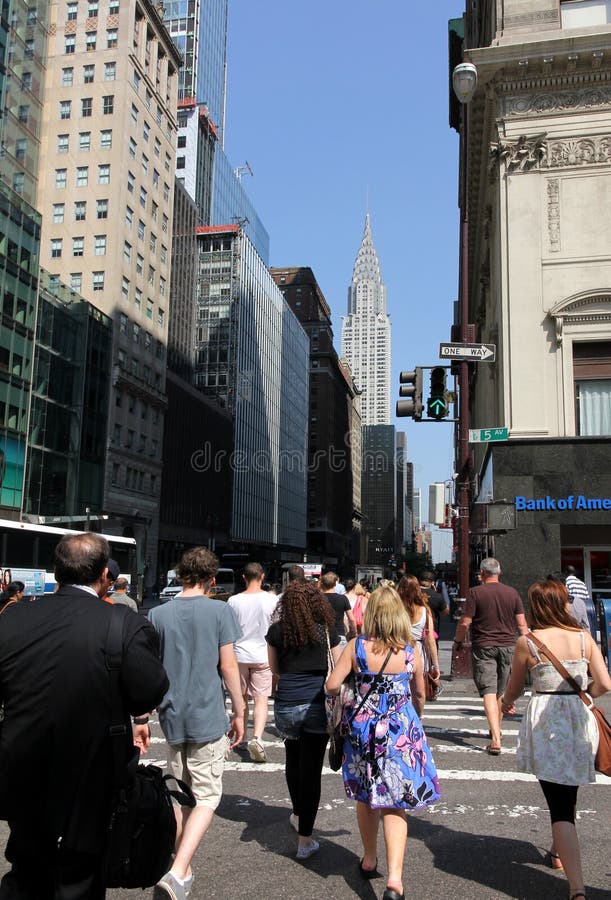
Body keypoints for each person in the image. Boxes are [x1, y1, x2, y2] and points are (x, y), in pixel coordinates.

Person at [0, 533, 168, 899]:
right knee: (81, 871)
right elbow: (149, 691)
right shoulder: (122, 623)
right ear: (105, 574)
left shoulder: (12, 617)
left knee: (26, 862)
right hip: (93, 770)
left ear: (56, 569)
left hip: (22, 761)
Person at [326, 585, 440, 900]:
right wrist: (414, 717)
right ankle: (395, 881)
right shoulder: (409, 650)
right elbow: (419, 693)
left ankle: (369, 858)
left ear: (373, 614)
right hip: (400, 731)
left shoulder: (357, 647)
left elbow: (332, 685)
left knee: (366, 797)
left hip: (363, 730)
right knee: (395, 803)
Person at [500, 580, 611, 900]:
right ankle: (557, 851)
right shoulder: (583, 638)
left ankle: (577, 888)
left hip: (547, 722)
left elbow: (515, 687)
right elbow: (604, 683)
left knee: (559, 805)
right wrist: (585, 695)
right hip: (578, 719)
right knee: (567, 791)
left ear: (536, 607)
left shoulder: (528, 642)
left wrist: (505, 702)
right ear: (563, 604)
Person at [149, 547, 244, 900]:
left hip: (171, 714)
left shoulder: (158, 614)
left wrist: (142, 714)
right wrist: (240, 709)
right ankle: (177, 871)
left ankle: (180, 863)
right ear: (212, 579)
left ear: (180, 574)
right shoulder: (220, 611)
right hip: (207, 713)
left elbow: (152, 667)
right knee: (206, 796)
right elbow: (228, 665)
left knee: (180, 793)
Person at [266, 580, 342, 860]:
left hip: (287, 701)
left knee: (292, 758)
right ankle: (305, 840)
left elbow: (274, 668)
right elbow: (338, 668)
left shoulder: (277, 631)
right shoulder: (325, 630)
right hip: (315, 703)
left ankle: (297, 813)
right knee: (311, 771)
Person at [454, 557, 528, 754]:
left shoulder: (475, 593)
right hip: (509, 645)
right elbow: (522, 625)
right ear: (499, 573)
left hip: (484, 645)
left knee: (488, 690)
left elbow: (465, 622)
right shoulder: (512, 593)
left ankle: (495, 738)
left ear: (482, 573)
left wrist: (458, 641)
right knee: (501, 691)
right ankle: (497, 729)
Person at [227, 561, 279, 763]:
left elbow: (229, 629)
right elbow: (277, 626)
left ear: (243, 578)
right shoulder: (272, 600)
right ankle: (257, 737)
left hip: (239, 654)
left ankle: (241, 737)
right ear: (262, 577)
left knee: (240, 698)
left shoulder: (233, 601)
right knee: (261, 699)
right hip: (263, 653)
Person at [397, 575, 441, 694]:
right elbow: (431, 640)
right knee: (418, 691)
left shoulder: (395, 609)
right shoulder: (424, 610)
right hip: (418, 650)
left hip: (398, 649)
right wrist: (435, 665)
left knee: (400, 687)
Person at [321, 571, 356, 646]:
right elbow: (351, 619)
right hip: (339, 634)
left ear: (322, 584)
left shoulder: (318, 599)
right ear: (335, 584)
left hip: (322, 635)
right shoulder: (342, 598)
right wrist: (353, 631)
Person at [564, 566, 596, 637]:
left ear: (566, 572)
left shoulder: (567, 582)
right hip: (584, 609)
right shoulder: (582, 583)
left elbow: (566, 596)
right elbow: (587, 597)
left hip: (573, 610)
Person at [418, 571, 447, 640]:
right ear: (433, 583)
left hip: (414, 633)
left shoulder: (412, 593)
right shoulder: (437, 596)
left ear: (419, 581)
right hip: (431, 631)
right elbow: (446, 611)